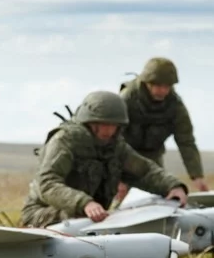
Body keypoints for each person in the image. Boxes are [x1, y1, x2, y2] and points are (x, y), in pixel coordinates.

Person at [20, 90, 187, 227]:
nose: (107, 130)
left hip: (94, 218)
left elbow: (144, 172)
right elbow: (47, 183)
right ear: (88, 122)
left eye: (112, 125)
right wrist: (84, 204)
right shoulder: (65, 141)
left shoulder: (116, 147)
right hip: (44, 213)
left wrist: (172, 186)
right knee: (77, 220)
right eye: (101, 124)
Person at [119, 57, 208, 192]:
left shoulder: (175, 106)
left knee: (161, 196)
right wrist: (117, 174)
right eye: (158, 86)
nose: (163, 91)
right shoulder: (127, 99)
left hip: (154, 157)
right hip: (125, 155)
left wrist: (197, 176)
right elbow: (112, 138)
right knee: (119, 201)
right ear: (147, 82)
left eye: (167, 86)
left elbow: (186, 142)